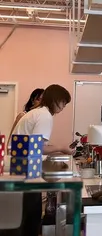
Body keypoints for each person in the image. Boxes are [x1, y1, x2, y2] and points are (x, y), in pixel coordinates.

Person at [3, 84, 72, 236]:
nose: (63, 107)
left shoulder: (35, 113)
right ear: (55, 99)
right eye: (63, 103)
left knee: (23, 215)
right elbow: (38, 148)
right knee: (30, 217)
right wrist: (62, 148)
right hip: (26, 170)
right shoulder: (45, 115)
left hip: (19, 167)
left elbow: (33, 145)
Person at [7, 88, 44, 153]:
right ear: (32, 100)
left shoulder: (41, 117)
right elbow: (12, 136)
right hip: (18, 151)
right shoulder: (23, 115)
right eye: (38, 100)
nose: (40, 103)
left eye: (43, 101)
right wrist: (8, 148)